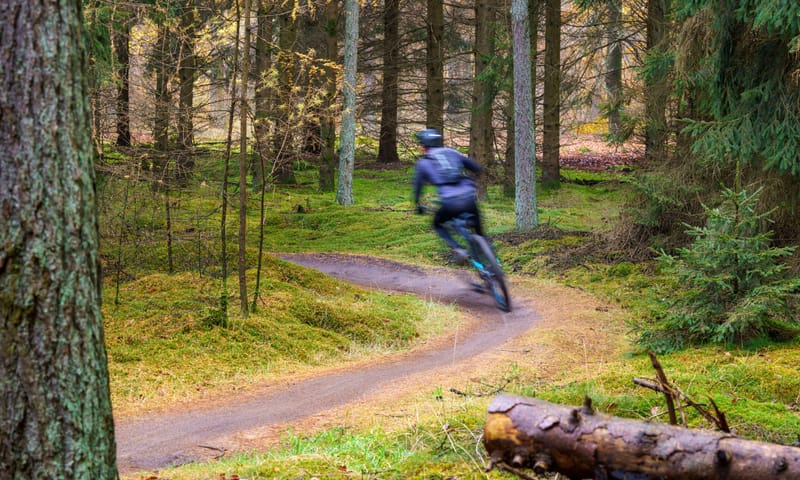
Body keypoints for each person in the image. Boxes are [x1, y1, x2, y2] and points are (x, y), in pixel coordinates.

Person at [412, 128, 485, 265]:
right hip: (469, 198)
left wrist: (418, 205)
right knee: (480, 231)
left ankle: (458, 249)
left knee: (437, 224)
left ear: (424, 146)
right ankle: (493, 262)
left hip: (449, 202)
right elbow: (476, 167)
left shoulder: (423, 163)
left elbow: (418, 187)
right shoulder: (452, 152)